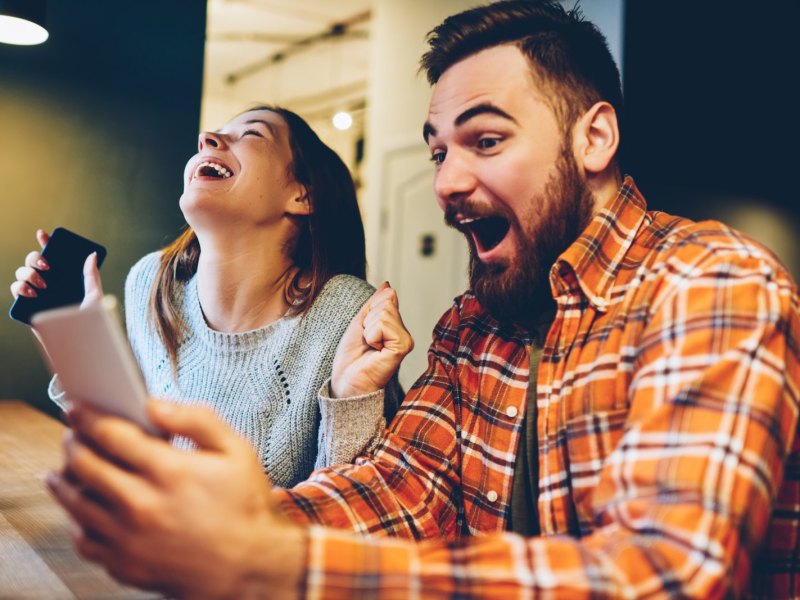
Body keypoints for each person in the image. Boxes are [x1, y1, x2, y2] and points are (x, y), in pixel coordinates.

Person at [47, 2, 800, 598]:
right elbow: (398, 491)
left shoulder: (711, 282)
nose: (443, 182)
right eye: (439, 151)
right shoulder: (474, 329)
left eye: (486, 140)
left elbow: (668, 575)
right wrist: (225, 524)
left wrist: (271, 564)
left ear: (594, 138)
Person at [11, 105, 408, 488]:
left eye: (251, 133)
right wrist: (78, 353)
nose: (207, 139)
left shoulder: (346, 313)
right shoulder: (151, 284)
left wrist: (353, 401)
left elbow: (354, 503)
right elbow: (132, 459)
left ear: (302, 196)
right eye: (213, 135)